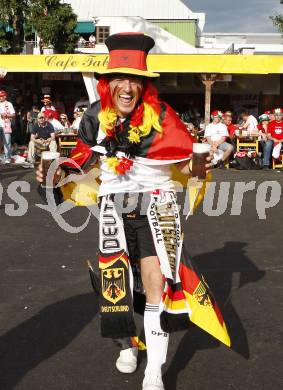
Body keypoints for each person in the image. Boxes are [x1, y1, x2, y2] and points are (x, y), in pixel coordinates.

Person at [36, 33, 230, 390]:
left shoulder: (164, 118)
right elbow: (80, 164)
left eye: (135, 81)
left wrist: (199, 167)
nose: (127, 87)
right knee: (115, 284)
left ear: (144, 86)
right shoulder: (94, 117)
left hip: (157, 207)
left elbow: (184, 169)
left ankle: (154, 367)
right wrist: (55, 173)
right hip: (113, 209)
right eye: (119, 79)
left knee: (156, 285)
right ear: (108, 84)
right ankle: (127, 343)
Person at [0, 90, 15, 164]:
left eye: (1, 96)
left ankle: (8, 157)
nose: (0, 97)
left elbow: (13, 115)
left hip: (6, 126)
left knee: (7, 142)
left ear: (5, 96)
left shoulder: (9, 104)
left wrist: (6, 115)